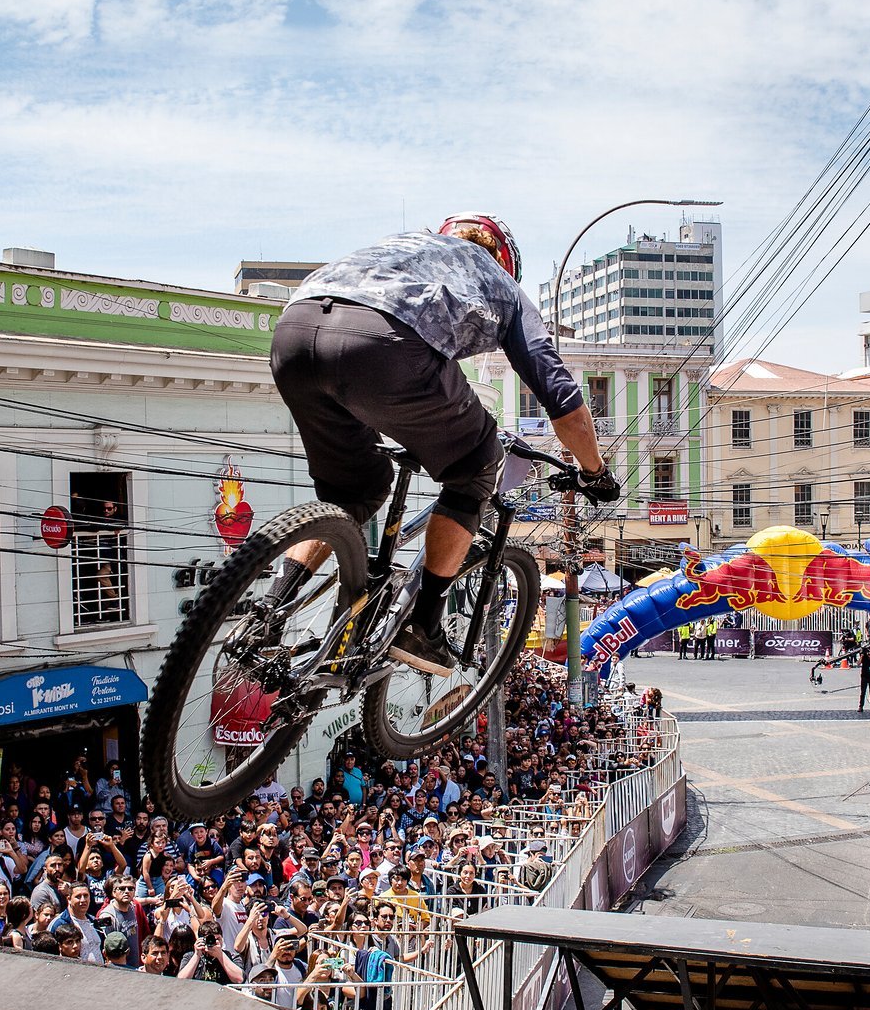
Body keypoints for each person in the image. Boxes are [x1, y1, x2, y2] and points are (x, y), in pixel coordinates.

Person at [266, 215, 621, 676]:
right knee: (476, 464)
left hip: (293, 334)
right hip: (385, 344)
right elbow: (565, 404)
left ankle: (267, 610)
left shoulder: (400, 246)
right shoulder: (500, 284)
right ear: (505, 260)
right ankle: (423, 625)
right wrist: (595, 473)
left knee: (352, 494)